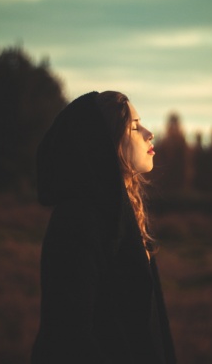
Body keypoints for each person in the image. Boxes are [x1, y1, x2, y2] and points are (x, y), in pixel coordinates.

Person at [31, 91, 177, 364]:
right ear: (104, 143)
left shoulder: (124, 211)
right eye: (134, 126)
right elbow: (68, 338)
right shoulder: (78, 221)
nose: (149, 133)